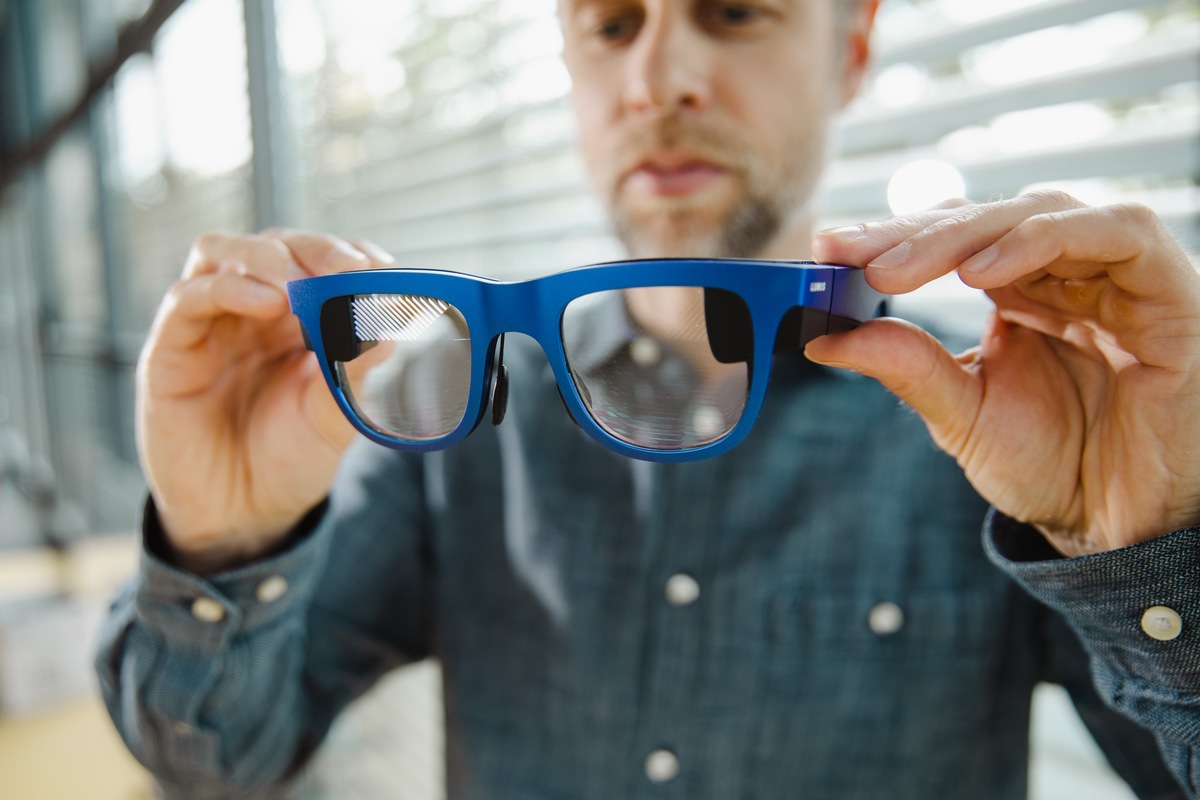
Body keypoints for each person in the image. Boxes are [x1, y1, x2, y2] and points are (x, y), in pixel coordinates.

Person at [96, 0, 1200, 797]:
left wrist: (1153, 537)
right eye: (613, 23)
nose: (656, 78)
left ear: (850, 47)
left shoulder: (1020, 421)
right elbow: (212, 759)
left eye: (732, 12)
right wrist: (221, 534)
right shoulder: (443, 402)